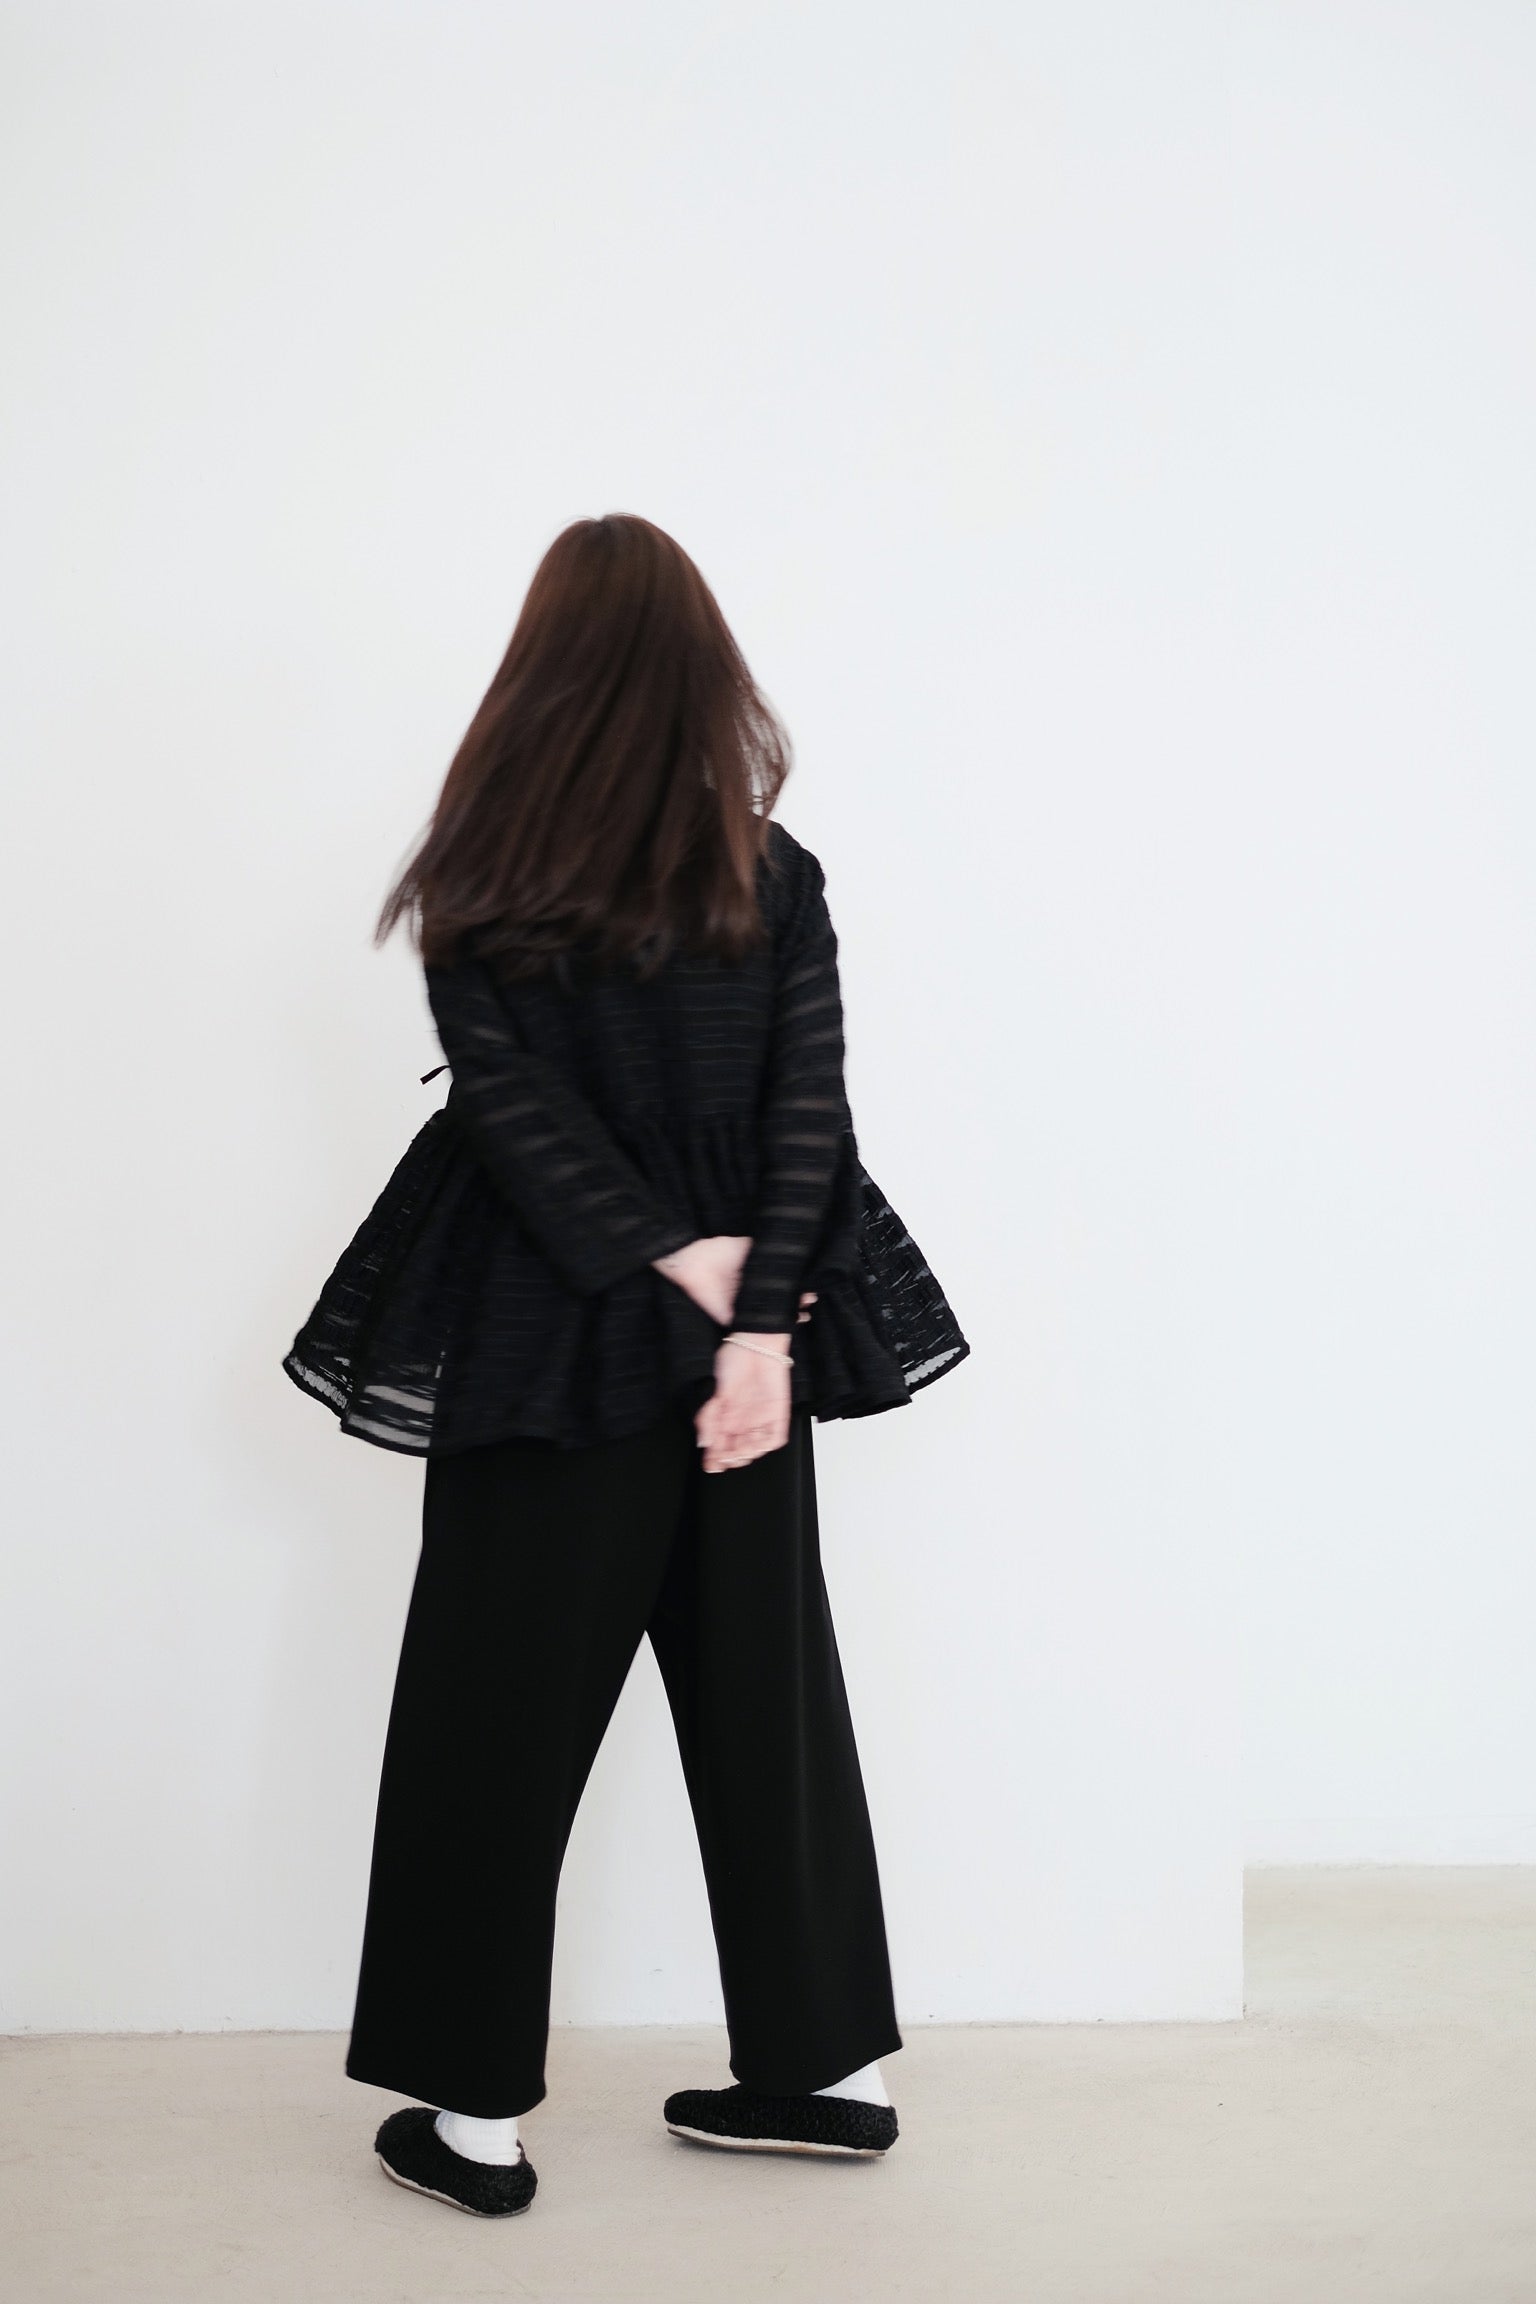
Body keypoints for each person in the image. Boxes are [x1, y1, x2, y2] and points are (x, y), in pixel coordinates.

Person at [282, 512, 969, 2218]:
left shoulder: (484, 875)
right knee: (768, 1701)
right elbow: (812, 1117)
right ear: (700, 670)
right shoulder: (772, 871)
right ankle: (831, 2075)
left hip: (547, 1334)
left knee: (493, 1713)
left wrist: (677, 1266)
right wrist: (756, 1322)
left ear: (542, 672)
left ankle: (470, 2123)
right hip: (755, 1347)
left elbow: (513, 1116)